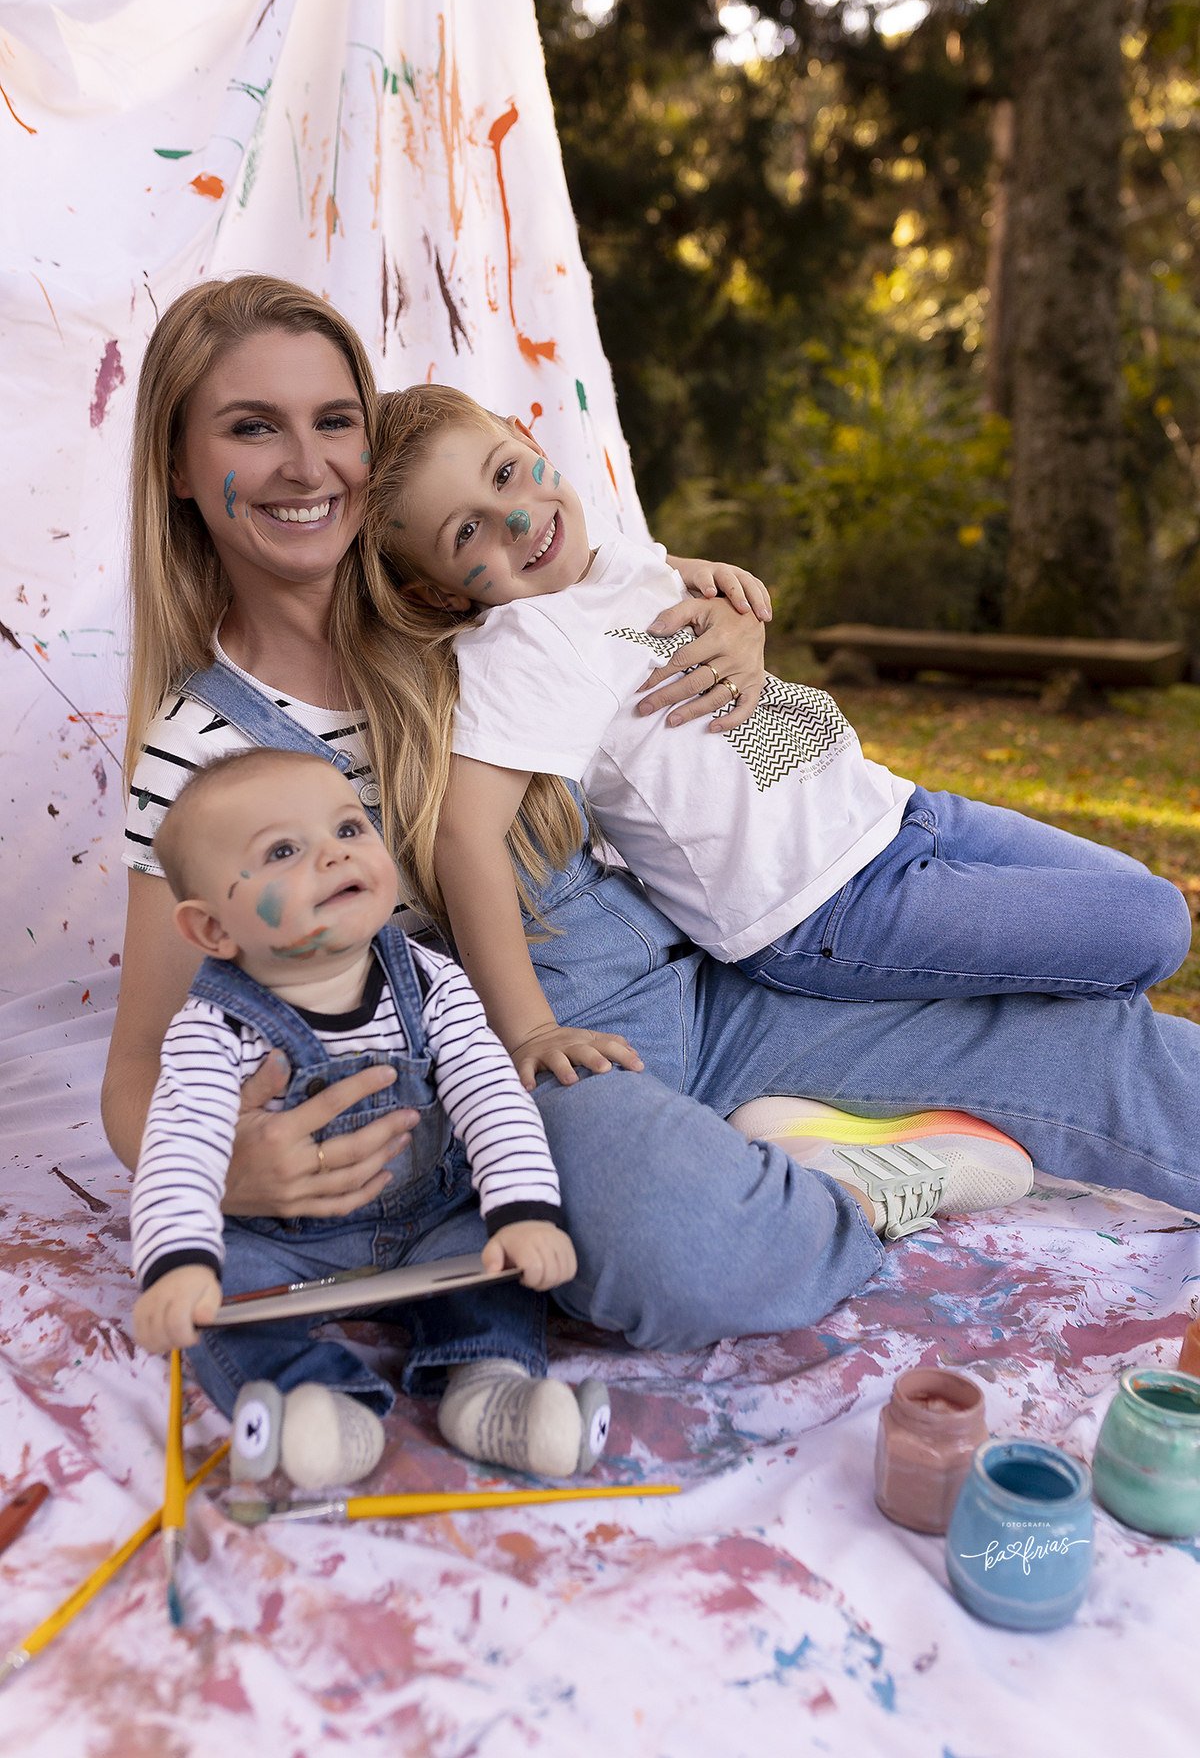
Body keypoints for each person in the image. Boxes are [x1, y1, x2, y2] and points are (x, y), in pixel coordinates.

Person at [103, 274, 1200, 1384]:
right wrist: (225, 1180)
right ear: (182, 470)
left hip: (713, 973)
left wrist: (731, 633)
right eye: (252, 428)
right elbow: (135, 1072)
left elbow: (624, 609)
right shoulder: (200, 746)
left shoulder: (454, 600)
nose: (306, 463)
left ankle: (794, 1120)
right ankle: (849, 1184)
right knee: (672, 1235)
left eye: (332, 421)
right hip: (540, 1068)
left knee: (1080, 1041)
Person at [360, 384, 1191, 1108]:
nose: (512, 516)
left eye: (506, 471)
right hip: (825, 904)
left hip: (901, 814)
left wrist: (728, 595)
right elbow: (461, 837)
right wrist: (529, 1027)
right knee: (1150, 927)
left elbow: (662, 609)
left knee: (1134, 902)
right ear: (438, 591)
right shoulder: (520, 639)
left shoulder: (609, 559)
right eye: (467, 534)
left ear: (527, 433)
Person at [130, 746, 610, 1486]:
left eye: (350, 829)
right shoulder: (213, 1029)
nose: (332, 854)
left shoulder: (427, 976)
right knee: (219, 1298)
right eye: (284, 850)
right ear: (213, 931)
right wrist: (177, 1266)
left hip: (427, 1220)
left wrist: (523, 1210)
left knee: (494, 1261)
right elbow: (181, 1149)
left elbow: (489, 1094)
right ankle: (312, 1405)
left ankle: (490, 1389)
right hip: (286, 1240)